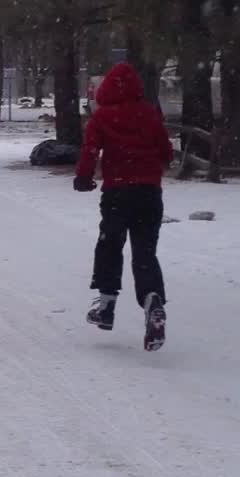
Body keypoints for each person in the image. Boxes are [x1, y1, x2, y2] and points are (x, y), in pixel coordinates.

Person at [74, 61, 173, 350]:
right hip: (149, 194)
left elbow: (90, 149)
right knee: (145, 253)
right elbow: (165, 151)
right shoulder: (149, 113)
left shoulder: (103, 117)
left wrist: (83, 177)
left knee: (110, 245)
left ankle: (106, 306)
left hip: (117, 193)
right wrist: (154, 165)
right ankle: (153, 300)